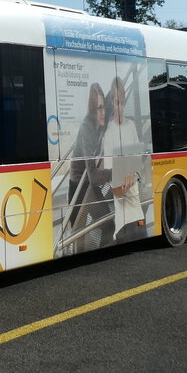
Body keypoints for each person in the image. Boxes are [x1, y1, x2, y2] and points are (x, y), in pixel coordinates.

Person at [64, 82, 112, 253]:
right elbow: (92, 176)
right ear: (93, 110)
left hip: (89, 185)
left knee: (107, 223)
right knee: (78, 237)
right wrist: (115, 173)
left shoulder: (101, 121)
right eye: (99, 108)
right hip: (80, 187)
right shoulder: (87, 126)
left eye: (104, 107)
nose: (103, 112)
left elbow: (114, 94)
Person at [106, 75, 148, 242]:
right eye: (117, 102)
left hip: (137, 213)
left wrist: (133, 176)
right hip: (124, 222)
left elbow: (139, 164)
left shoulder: (130, 127)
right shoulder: (108, 134)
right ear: (111, 102)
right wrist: (127, 182)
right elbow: (115, 189)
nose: (121, 107)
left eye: (123, 102)